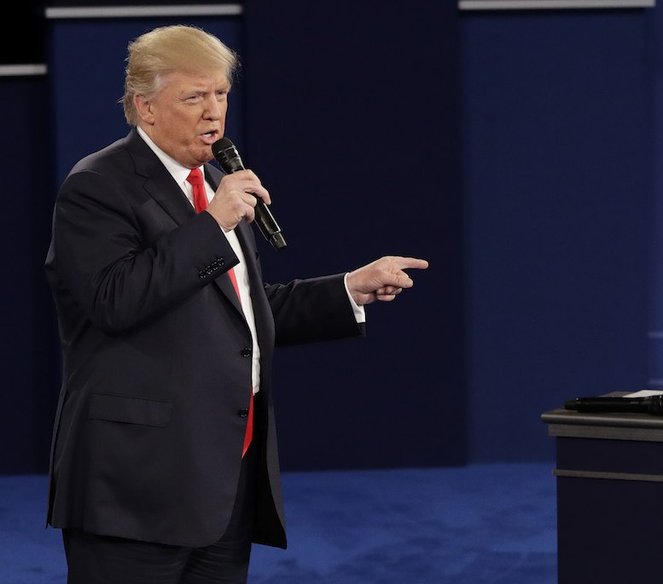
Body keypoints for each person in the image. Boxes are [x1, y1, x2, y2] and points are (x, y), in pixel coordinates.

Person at [43, 24, 427, 583]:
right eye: (194, 97)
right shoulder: (98, 186)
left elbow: (236, 313)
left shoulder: (214, 181)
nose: (213, 113)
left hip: (222, 475)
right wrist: (212, 224)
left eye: (221, 94)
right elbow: (114, 301)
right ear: (144, 108)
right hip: (135, 483)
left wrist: (346, 289)